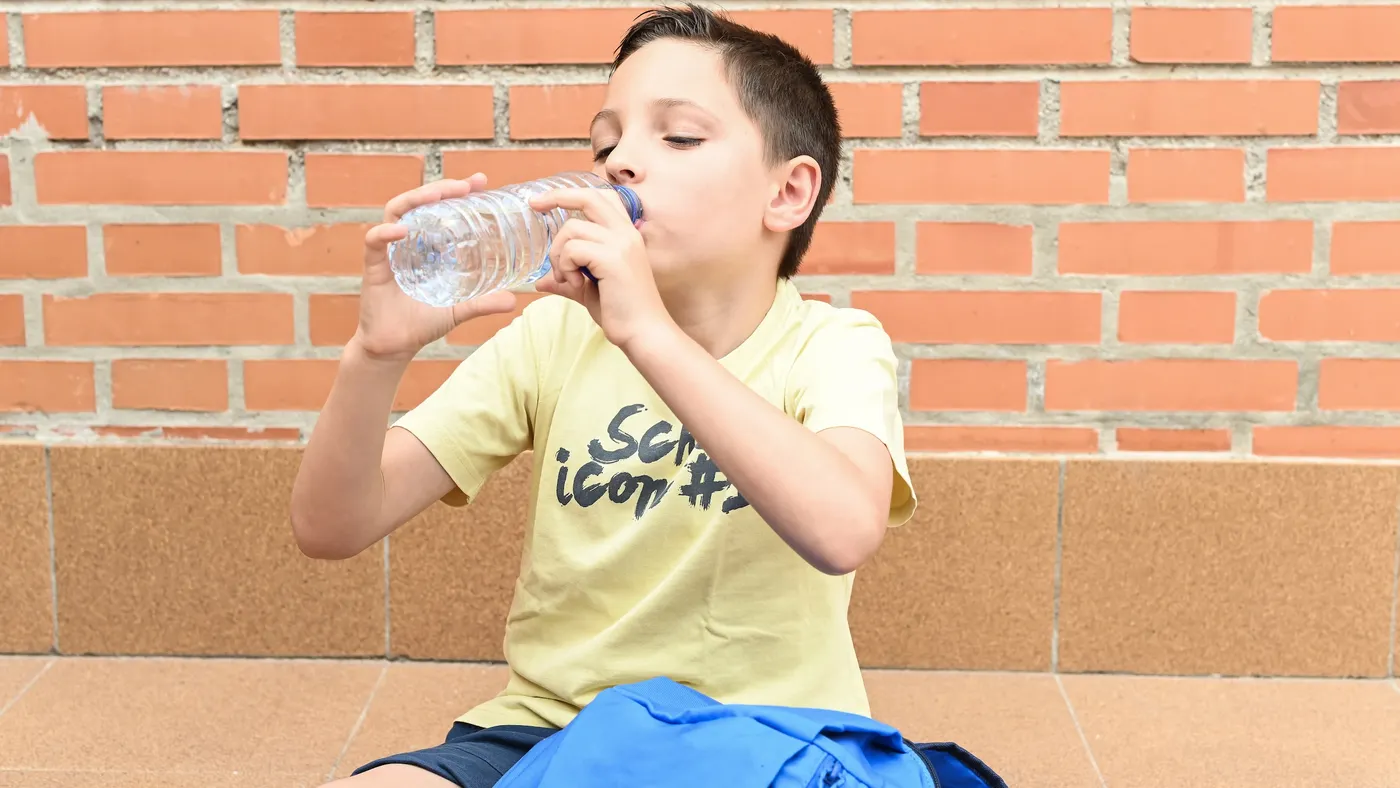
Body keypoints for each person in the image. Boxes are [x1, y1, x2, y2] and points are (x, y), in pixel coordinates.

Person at [293, 4, 916, 786]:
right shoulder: (553, 336)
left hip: (766, 735)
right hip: (554, 730)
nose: (621, 160)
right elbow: (330, 526)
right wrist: (372, 356)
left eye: (679, 136)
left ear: (788, 193)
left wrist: (648, 334)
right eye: (605, 141)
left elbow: (844, 530)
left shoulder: (833, 346)